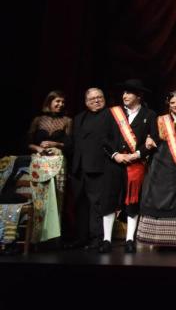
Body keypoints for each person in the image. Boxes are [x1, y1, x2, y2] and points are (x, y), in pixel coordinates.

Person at [103, 79, 159, 253]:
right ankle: (106, 240)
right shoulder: (113, 114)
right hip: (115, 163)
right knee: (110, 200)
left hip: (136, 165)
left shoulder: (149, 115)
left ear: (139, 96)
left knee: (133, 202)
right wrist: (116, 155)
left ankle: (129, 239)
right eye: (124, 93)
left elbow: (153, 139)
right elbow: (105, 138)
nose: (125, 96)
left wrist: (137, 154)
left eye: (129, 93)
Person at [137, 91, 176, 248]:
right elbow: (152, 136)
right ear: (168, 105)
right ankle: (156, 238)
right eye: (172, 103)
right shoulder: (159, 120)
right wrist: (149, 139)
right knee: (157, 196)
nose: (175, 105)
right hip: (160, 161)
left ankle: (175, 239)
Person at [66, 88, 115, 251]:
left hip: (98, 167)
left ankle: (97, 238)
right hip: (79, 168)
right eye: (92, 98)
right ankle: (81, 237)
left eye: (99, 97)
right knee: (80, 204)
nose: (96, 100)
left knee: (96, 205)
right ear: (86, 102)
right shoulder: (79, 118)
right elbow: (72, 143)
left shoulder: (111, 115)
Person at [25, 91, 72, 244]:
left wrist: (56, 144)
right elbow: (27, 142)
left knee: (57, 197)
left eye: (63, 102)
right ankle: (36, 237)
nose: (60, 104)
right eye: (57, 101)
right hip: (39, 163)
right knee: (39, 198)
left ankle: (53, 238)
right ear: (49, 102)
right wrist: (37, 148)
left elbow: (71, 144)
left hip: (58, 162)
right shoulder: (38, 120)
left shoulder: (67, 121)